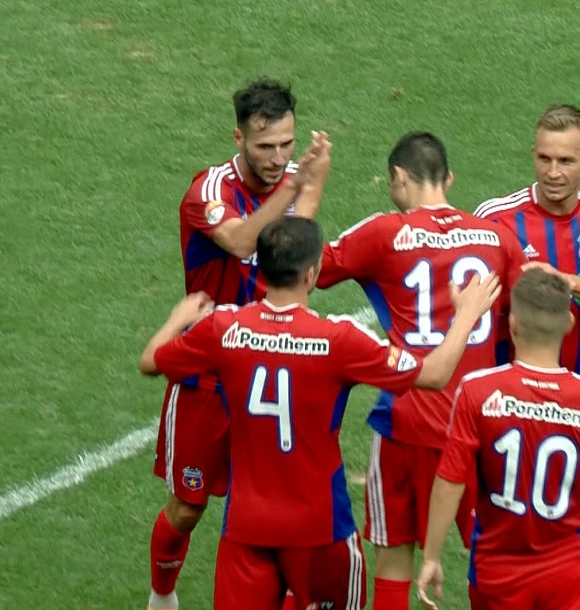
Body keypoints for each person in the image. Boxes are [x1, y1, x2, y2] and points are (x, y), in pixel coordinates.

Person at [139, 217, 502, 610]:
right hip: (321, 530)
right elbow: (434, 374)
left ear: (262, 267)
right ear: (311, 274)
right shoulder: (339, 340)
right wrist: (466, 315)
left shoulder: (222, 329)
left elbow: (150, 361)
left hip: (246, 528)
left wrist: (177, 320)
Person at [315, 131, 526, 610]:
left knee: (394, 564)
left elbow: (305, 269)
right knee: (493, 563)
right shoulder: (496, 237)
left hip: (407, 422)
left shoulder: (384, 232)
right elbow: (531, 316)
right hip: (481, 426)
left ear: (398, 178)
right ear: (449, 179)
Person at [147, 77, 331, 610]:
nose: (277, 157)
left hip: (270, 373)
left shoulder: (294, 178)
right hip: (206, 374)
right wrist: (295, 188)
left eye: (286, 144)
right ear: (238, 138)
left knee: (281, 506)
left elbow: (296, 245)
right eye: (264, 146)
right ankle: (162, 597)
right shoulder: (207, 190)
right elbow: (241, 240)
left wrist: (311, 182)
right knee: (187, 506)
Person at [474, 104, 580, 609]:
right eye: (545, 159)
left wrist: (564, 282)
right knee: (509, 529)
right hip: (515, 397)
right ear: (533, 155)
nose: (554, 172)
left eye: (566, 161)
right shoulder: (496, 218)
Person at [415, 268, 580, 610]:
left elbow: (450, 479)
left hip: (496, 569)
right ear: (569, 325)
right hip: (568, 569)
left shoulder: (477, 391)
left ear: (513, 324)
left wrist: (431, 556)